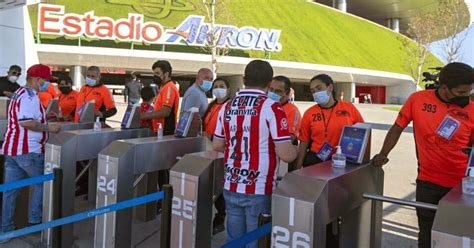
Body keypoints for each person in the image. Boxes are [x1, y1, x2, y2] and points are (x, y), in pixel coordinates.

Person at [372, 62, 474, 248]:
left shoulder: (472, 110)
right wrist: (383, 154)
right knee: (426, 235)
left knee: (458, 237)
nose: (466, 97)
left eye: (469, 92)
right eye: (461, 93)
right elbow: (397, 128)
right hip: (428, 182)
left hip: (462, 187)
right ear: (444, 88)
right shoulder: (418, 100)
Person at [212, 60, 297, 247]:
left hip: (231, 183)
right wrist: (296, 149)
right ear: (269, 83)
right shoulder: (273, 108)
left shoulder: (226, 106)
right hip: (259, 186)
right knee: (256, 242)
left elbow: (217, 144)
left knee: (234, 239)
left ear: (244, 79)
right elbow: (287, 155)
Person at [0, 64, 61, 243]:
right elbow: (26, 122)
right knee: (42, 183)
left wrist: (45, 116)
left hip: (12, 149)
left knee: (10, 191)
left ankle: (5, 230)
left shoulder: (19, 93)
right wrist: (49, 127)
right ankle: (35, 221)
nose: (47, 84)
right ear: (38, 80)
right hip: (28, 150)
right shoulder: (30, 96)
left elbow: (26, 118)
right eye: (46, 80)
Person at [296, 74, 364, 168]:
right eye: (313, 91)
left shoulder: (348, 108)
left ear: (330, 87)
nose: (316, 93)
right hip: (315, 160)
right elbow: (304, 142)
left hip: (342, 160)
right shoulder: (309, 113)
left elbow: (363, 133)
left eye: (319, 88)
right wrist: (297, 167)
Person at [140, 60, 180, 203]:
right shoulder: (163, 88)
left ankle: (165, 201)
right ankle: (161, 200)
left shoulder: (169, 87)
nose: (155, 76)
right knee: (160, 170)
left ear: (166, 73)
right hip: (159, 132)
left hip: (166, 132)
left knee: (164, 171)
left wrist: (145, 115)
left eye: (157, 73)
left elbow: (166, 111)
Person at [202, 77, 231, 234]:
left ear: (228, 89)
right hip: (208, 148)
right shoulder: (212, 105)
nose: (218, 89)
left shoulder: (230, 106)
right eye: (216, 86)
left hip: (223, 150)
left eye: (221, 86)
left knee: (220, 186)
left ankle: (220, 218)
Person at [268, 75, 302, 172]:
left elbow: (290, 138)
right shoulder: (265, 106)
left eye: (278, 91)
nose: (273, 93)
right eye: (271, 89)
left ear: (287, 93)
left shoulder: (292, 111)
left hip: (283, 156)